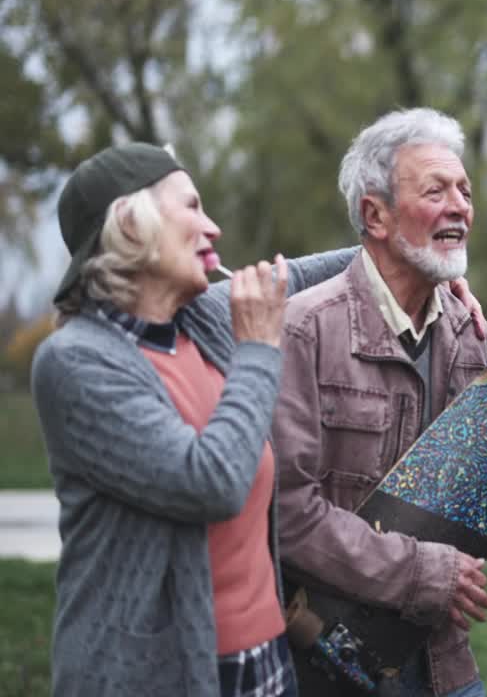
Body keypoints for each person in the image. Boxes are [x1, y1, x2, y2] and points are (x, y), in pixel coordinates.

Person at [29, 143, 355, 696]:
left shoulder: (198, 319)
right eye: (193, 207)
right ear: (134, 223)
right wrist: (258, 348)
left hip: (266, 664)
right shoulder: (75, 362)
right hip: (158, 677)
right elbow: (211, 484)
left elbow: (300, 275)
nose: (214, 226)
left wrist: (411, 261)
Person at [271, 107, 487, 697]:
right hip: (326, 662)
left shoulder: (469, 332)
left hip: (442, 665)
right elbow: (286, 514)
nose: (460, 205)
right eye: (435, 190)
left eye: (464, 190)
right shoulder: (303, 330)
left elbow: (473, 489)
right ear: (374, 215)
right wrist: (419, 573)